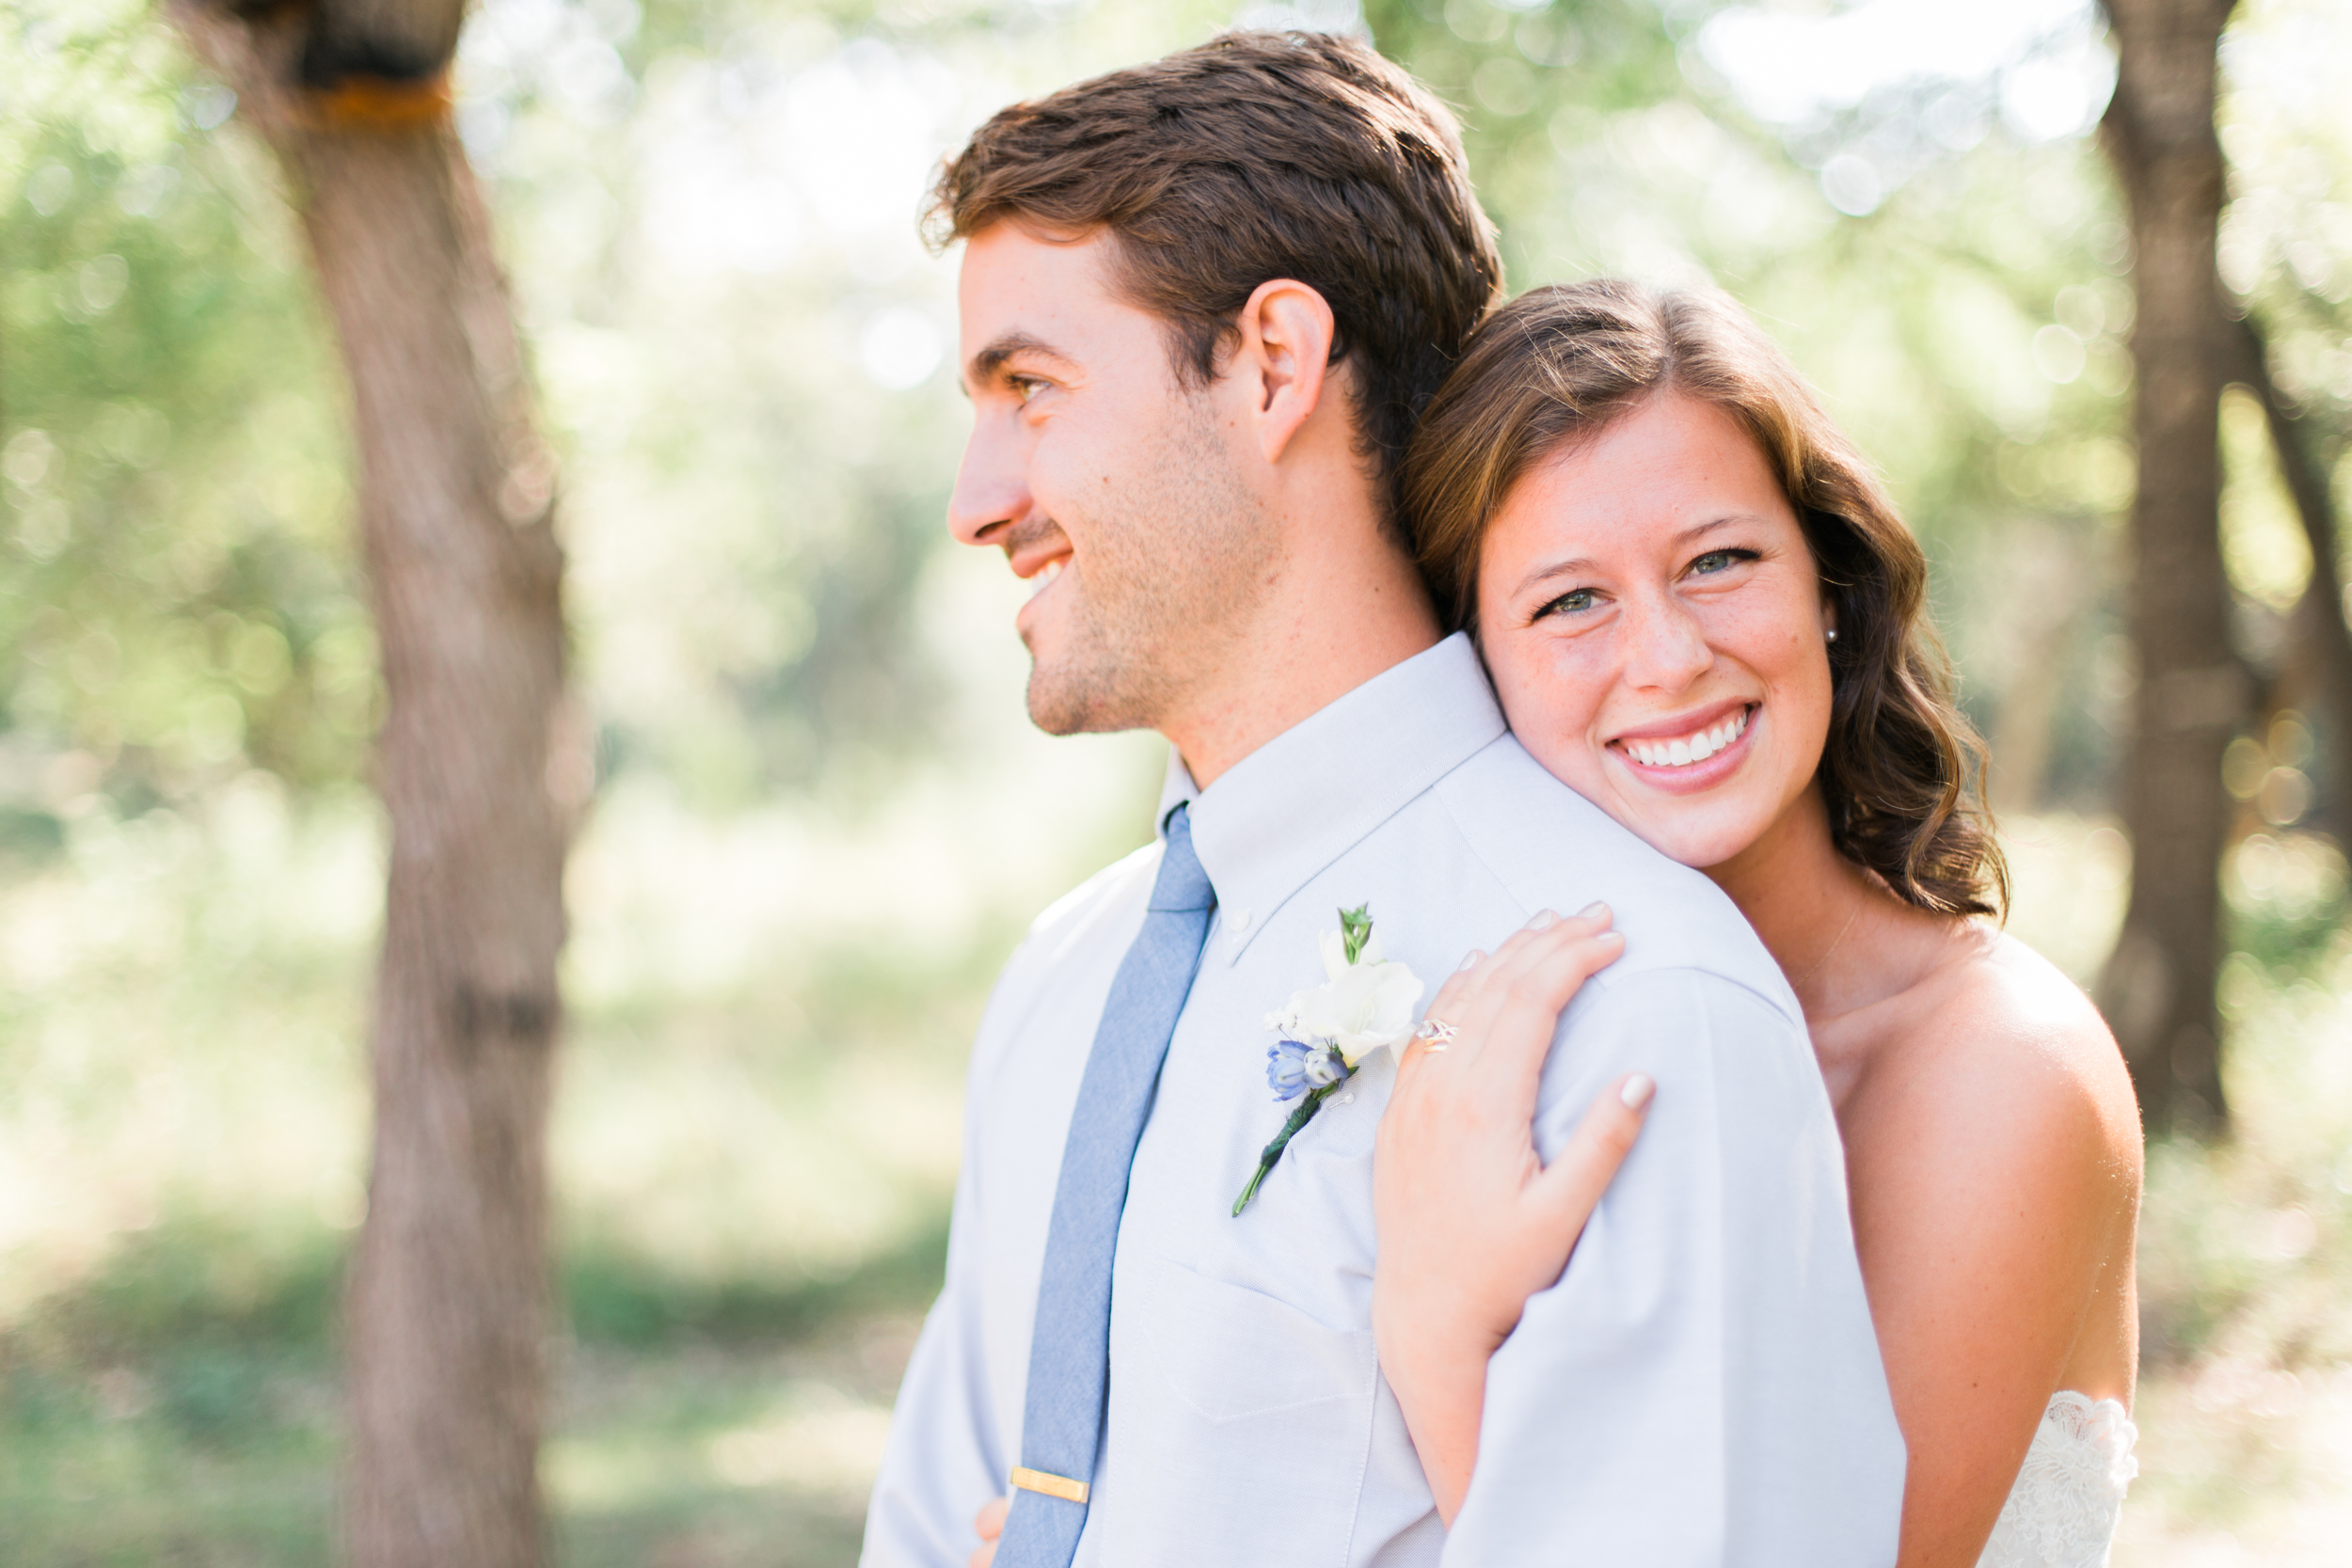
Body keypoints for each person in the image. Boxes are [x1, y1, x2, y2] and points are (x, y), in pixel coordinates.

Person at [862, 32, 1904, 1568]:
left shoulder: (1641, 1015)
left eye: (1031, 387)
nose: (977, 498)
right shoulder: (1059, 989)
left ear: (1273, 361)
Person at [1373, 279, 2145, 1567]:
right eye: (1571, 601)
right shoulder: (1490, 1042)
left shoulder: (2003, 1072)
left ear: (1827, 589)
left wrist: (1437, 1335)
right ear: (1476, 668)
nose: (1668, 657)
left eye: (1718, 562)